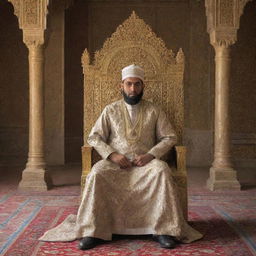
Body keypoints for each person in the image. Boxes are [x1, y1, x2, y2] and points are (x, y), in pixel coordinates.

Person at [39, 64, 203, 250]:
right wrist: (112, 155)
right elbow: (94, 137)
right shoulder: (110, 110)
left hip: (145, 164)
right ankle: (94, 231)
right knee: (96, 173)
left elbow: (170, 137)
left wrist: (150, 155)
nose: (133, 89)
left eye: (137, 84)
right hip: (116, 164)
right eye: (129, 84)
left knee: (162, 171)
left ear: (143, 86)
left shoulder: (154, 110)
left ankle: (162, 230)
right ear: (121, 86)